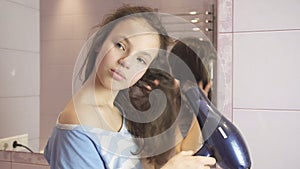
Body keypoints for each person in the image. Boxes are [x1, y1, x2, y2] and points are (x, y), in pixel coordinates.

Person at [44, 5, 216, 169]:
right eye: (120, 45)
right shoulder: (77, 127)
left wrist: (198, 107)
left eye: (140, 59)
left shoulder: (118, 112)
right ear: (99, 41)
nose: (125, 62)